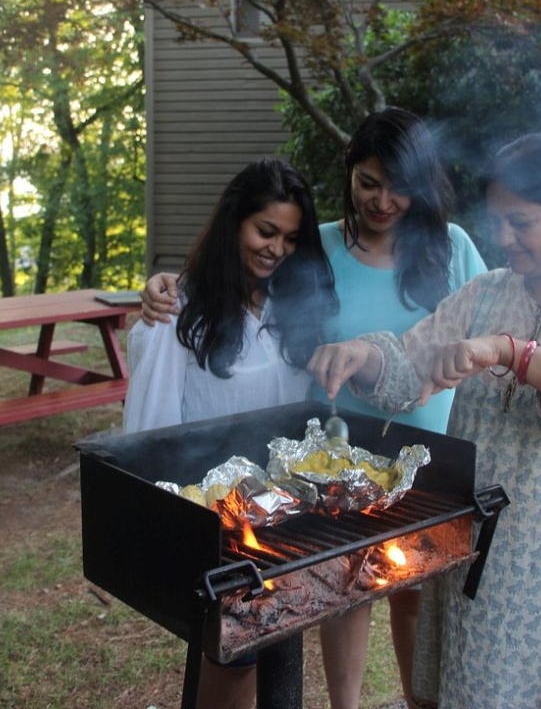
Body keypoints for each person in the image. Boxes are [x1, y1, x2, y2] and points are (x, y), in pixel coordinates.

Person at [139, 107, 486, 708]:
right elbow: (242, 278)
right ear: (349, 173)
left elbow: (493, 320)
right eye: (368, 183)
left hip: (429, 458)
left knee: (416, 598)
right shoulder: (316, 245)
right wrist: (169, 284)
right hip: (331, 462)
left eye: (399, 187)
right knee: (341, 585)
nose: (382, 201)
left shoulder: (450, 249)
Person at [307, 133, 541, 708]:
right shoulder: (485, 292)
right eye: (496, 221)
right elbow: (410, 362)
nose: (502, 238)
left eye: (520, 223)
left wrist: (512, 353)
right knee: (476, 678)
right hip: (483, 534)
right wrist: (363, 355)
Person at [122, 157, 337, 708]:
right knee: (233, 659)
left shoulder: (291, 308)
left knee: (284, 649)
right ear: (233, 222)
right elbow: (150, 425)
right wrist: (157, 523)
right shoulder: (179, 312)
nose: (276, 249)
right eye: (265, 231)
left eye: (290, 238)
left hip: (285, 516)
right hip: (217, 523)